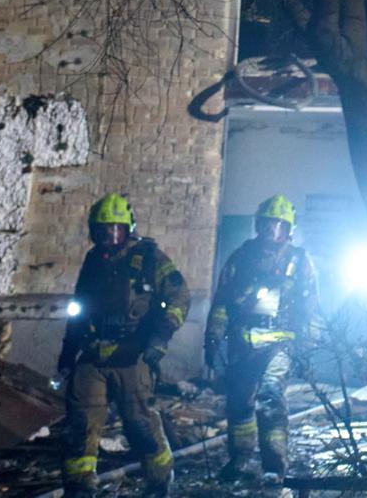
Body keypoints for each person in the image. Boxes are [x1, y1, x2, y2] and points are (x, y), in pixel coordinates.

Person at [57, 193, 189, 497]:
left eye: (117, 229)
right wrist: (68, 352)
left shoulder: (150, 257)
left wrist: (161, 336)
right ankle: (79, 486)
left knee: (139, 424)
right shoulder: (93, 261)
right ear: (94, 230)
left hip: (133, 354)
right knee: (80, 422)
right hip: (93, 353)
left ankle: (159, 481)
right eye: (104, 229)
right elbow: (79, 307)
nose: (110, 236)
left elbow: (180, 296)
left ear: (129, 228)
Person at [206, 194, 318, 487]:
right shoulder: (241, 258)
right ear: (259, 225)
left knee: (269, 398)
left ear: (289, 229)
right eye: (269, 224)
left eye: (280, 226)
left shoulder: (299, 261)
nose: (273, 231)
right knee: (240, 404)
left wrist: (306, 348)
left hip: (280, 344)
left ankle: (274, 466)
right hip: (243, 343)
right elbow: (222, 302)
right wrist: (213, 337)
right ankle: (240, 458)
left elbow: (311, 309)